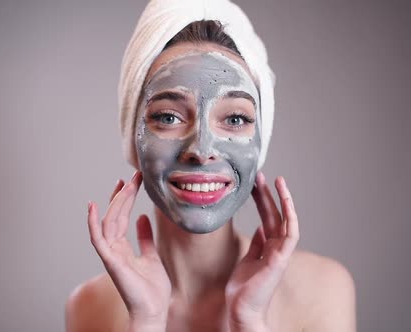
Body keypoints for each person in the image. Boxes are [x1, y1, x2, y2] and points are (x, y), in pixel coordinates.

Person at [66, 1, 355, 331]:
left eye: (234, 118)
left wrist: (249, 319)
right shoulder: (89, 307)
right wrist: (146, 320)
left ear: (261, 140)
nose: (201, 151)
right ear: (133, 137)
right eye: (168, 117)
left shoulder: (321, 290)